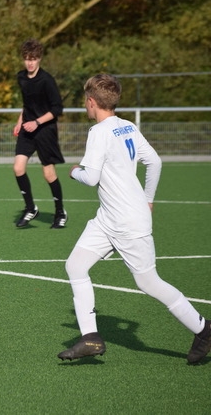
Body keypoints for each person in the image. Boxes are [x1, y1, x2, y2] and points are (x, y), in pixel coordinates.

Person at [57, 74, 210, 364]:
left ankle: (203, 329)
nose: (85, 105)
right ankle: (90, 338)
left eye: (86, 101)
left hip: (127, 222)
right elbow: (155, 161)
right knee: (75, 265)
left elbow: (91, 178)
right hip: (108, 218)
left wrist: (74, 171)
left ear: (92, 102)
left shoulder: (98, 132)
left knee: (149, 282)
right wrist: (148, 198)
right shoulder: (127, 125)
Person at [12, 39, 67, 229]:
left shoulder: (47, 80)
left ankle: (60, 212)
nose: (30, 62)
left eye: (34, 59)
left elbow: (57, 109)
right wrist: (19, 122)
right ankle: (30, 208)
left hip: (45, 130)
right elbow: (27, 104)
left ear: (39, 59)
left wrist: (36, 122)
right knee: (18, 168)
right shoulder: (21, 77)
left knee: (48, 173)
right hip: (27, 129)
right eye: (27, 59)